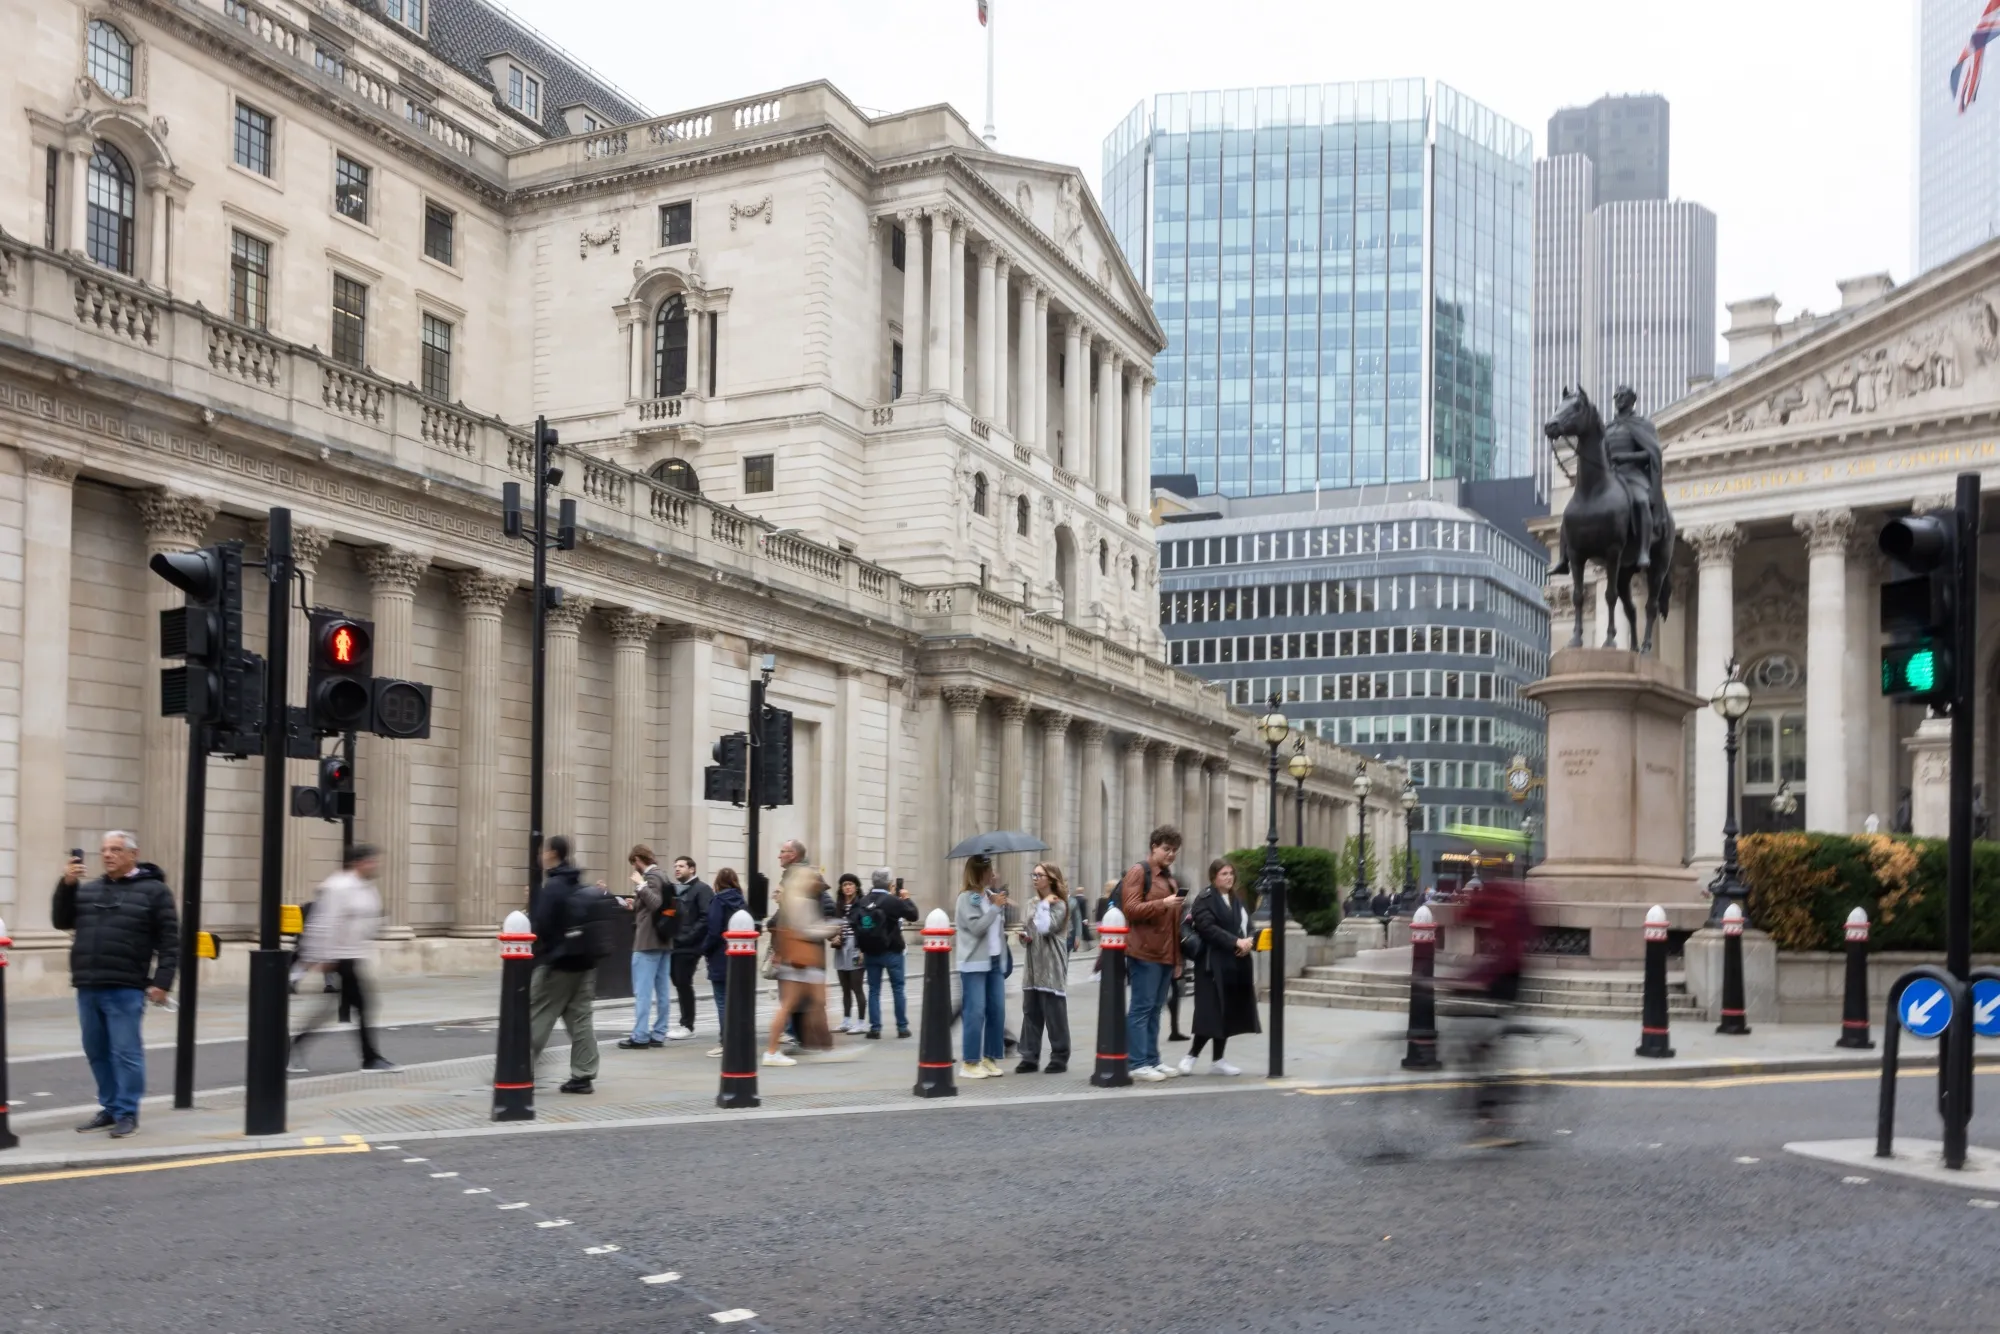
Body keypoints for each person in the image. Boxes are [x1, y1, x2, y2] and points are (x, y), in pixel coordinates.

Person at [54, 831, 178, 1138]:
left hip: (126, 985)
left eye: (116, 850)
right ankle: (110, 1107)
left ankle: (127, 1112)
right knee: (96, 1050)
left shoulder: (155, 891)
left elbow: (170, 941)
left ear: (133, 855)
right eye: (104, 850)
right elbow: (61, 920)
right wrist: (67, 885)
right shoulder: (89, 889)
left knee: (125, 1052)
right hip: (89, 983)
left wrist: (162, 981)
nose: (108, 855)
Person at [289, 844, 395, 1074]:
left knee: (334, 1009)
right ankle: (370, 1059)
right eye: (371, 861)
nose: (375, 865)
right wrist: (319, 957)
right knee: (364, 1005)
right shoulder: (338, 887)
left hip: (352, 955)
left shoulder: (366, 888)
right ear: (358, 862)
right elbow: (322, 924)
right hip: (338, 957)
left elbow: (367, 920)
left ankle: (293, 1048)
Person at [528, 836, 600, 1094]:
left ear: (553, 853)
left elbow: (541, 926)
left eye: (543, 851)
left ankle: (518, 1069)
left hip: (557, 964)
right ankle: (584, 1075)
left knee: (538, 1014)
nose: (540, 855)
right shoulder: (576, 882)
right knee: (580, 1019)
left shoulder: (554, 887)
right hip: (584, 962)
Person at [1179, 859, 1259, 1076]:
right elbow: (1208, 928)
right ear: (1214, 877)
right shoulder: (1204, 899)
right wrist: (1236, 942)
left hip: (1236, 964)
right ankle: (1191, 1056)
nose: (1229, 877)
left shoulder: (1237, 899)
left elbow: (1248, 926)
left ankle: (1218, 1060)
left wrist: (1249, 941)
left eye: (1231, 873)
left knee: (1228, 1013)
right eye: (1224, 874)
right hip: (1211, 965)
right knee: (1210, 1012)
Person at [1119, 825, 1184, 1082]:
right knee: (1141, 1008)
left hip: (1165, 954)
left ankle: (1152, 1059)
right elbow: (1131, 908)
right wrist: (1163, 903)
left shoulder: (1169, 879)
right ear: (1154, 846)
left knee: (1156, 1009)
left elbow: (1174, 925)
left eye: (1174, 850)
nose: (1171, 854)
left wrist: (1177, 959)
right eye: (1166, 849)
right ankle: (1137, 1062)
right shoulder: (1139, 872)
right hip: (1144, 952)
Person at [764, 864, 841, 1065]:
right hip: (804, 961)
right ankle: (778, 1051)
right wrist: (831, 927)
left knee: (804, 1004)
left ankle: (811, 1045)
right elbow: (807, 930)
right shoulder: (802, 902)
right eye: (811, 878)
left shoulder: (789, 900)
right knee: (813, 1002)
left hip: (795, 961)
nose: (814, 882)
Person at [954, 855, 1010, 1079]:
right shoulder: (967, 899)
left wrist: (997, 904)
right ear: (979, 873)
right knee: (975, 1012)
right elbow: (977, 928)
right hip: (974, 962)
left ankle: (990, 1057)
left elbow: (996, 929)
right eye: (989, 870)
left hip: (995, 961)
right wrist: (995, 909)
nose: (993, 873)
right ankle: (969, 1062)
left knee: (997, 1010)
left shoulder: (989, 896)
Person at [1015, 862, 1072, 1074]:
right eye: (1034, 874)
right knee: (1031, 1012)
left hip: (1051, 966)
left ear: (1051, 879)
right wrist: (1024, 936)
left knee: (1054, 1014)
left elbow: (1046, 928)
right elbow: (1030, 928)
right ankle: (1029, 1056)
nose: (1035, 878)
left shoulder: (1060, 904)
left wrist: (1045, 905)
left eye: (1040, 875)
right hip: (1032, 965)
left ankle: (1059, 1056)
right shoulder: (1031, 902)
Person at [852, 869, 918, 1038]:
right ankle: (902, 1027)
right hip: (892, 950)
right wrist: (906, 898)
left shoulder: (864, 900)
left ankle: (875, 1028)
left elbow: (854, 923)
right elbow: (913, 915)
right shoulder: (892, 900)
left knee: (874, 990)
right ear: (890, 884)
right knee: (898, 988)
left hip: (870, 951)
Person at [619, 844, 673, 1050]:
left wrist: (640, 885)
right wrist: (635, 905)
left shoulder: (651, 878)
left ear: (638, 860)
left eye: (634, 864)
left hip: (647, 942)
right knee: (662, 991)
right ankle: (659, 1033)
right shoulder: (664, 876)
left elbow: (656, 904)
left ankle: (640, 1035)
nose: (634, 868)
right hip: (663, 941)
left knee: (642, 991)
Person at [701, 867, 747, 1058]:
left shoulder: (718, 901)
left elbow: (713, 930)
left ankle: (725, 1042)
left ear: (718, 882)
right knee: (736, 1002)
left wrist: (704, 949)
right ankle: (738, 1040)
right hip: (740, 958)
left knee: (722, 1001)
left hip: (720, 956)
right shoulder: (742, 902)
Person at [668, 855, 713, 1040]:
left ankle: (687, 1024)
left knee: (683, 981)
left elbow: (705, 917)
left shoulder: (702, 889)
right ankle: (685, 1022)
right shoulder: (677, 890)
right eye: (675, 866)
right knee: (679, 981)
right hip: (675, 944)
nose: (677, 869)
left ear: (692, 869)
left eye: (681, 866)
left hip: (690, 945)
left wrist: (687, 937)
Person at [830, 873, 867, 1033]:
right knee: (844, 987)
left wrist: (863, 950)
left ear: (856, 887)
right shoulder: (837, 905)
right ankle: (846, 1020)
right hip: (841, 947)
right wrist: (833, 937)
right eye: (844, 885)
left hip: (856, 947)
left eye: (850, 884)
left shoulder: (862, 905)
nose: (847, 887)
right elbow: (831, 926)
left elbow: (867, 928)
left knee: (856, 986)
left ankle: (861, 1022)